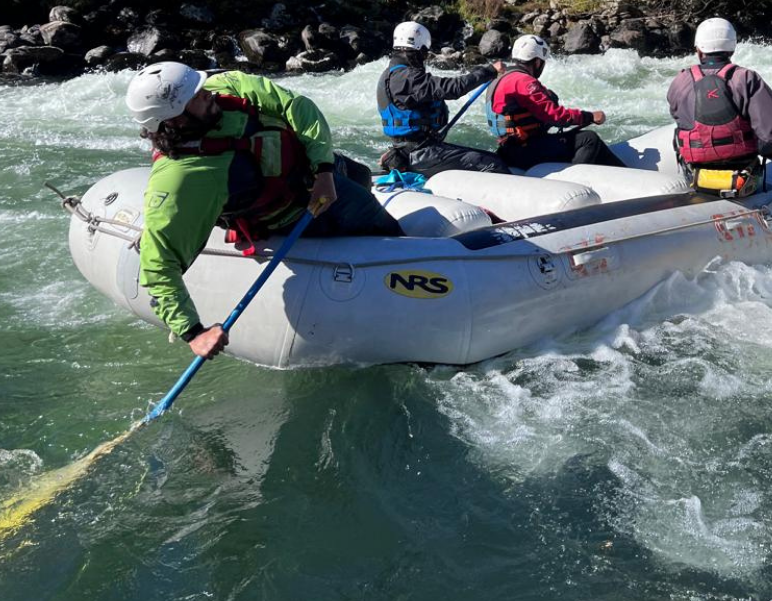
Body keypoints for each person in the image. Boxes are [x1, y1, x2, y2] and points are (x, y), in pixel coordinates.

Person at [126, 62, 403, 360]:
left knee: (360, 173)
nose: (206, 94)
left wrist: (323, 170)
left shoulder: (226, 85)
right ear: (174, 121)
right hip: (293, 212)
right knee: (379, 222)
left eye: (200, 87)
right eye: (194, 97)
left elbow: (297, 106)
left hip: (311, 167)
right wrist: (193, 332)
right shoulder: (183, 177)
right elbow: (158, 262)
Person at [666, 17, 772, 197]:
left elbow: (679, 119)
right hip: (742, 175)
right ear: (732, 48)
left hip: (695, 175)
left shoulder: (680, 80)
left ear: (698, 49)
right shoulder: (746, 79)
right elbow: (768, 138)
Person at [376, 21, 511, 177]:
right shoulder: (407, 78)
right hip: (421, 153)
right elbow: (454, 88)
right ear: (417, 51)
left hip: (410, 149)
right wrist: (489, 71)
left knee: (485, 158)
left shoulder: (391, 74)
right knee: (493, 164)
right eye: (424, 53)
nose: (425, 58)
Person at [486, 34, 626, 170]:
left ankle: (624, 174)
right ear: (537, 62)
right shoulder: (523, 81)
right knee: (589, 139)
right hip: (524, 151)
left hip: (509, 149)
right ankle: (576, 184)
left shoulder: (501, 78)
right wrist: (589, 116)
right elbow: (555, 116)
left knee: (580, 141)